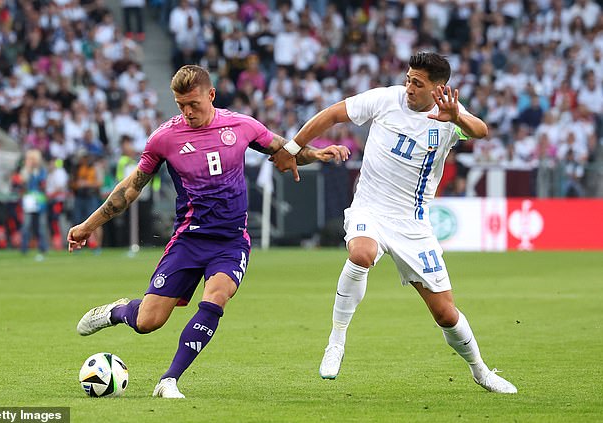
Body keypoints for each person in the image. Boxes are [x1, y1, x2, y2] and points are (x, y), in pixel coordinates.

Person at [67, 65, 349, 398]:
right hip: (188, 241)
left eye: (194, 104)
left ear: (210, 95)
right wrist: (88, 226)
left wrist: (315, 153)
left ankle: (169, 379)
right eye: (180, 105)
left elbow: (283, 149)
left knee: (216, 297)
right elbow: (131, 188)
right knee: (148, 322)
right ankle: (115, 312)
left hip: (230, 242)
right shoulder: (164, 137)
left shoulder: (241, 125)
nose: (187, 112)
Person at [271, 52, 517, 394]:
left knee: (445, 314)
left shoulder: (447, 116)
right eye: (408, 79)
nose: (409, 88)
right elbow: (332, 114)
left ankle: (480, 371)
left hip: (412, 225)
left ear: (438, 88)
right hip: (369, 209)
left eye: (417, 83)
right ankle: (336, 342)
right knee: (361, 254)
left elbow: (481, 131)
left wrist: (457, 116)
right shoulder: (385, 99)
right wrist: (295, 146)